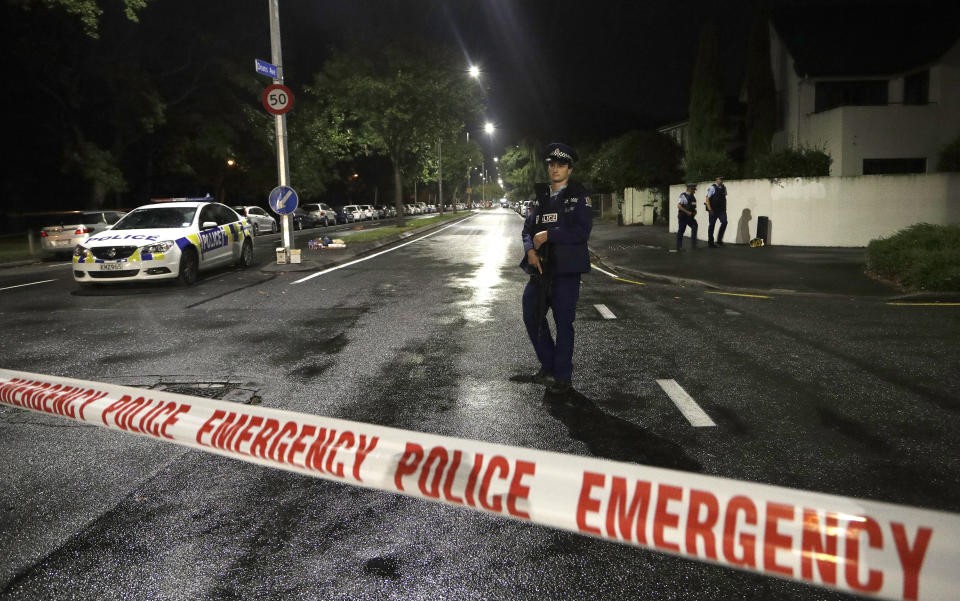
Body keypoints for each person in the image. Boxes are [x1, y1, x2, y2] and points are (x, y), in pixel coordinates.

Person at [520, 143, 592, 394]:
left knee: (563, 323)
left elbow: (581, 232)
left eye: (561, 165)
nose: (555, 168)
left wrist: (548, 235)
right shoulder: (540, 197)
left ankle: (562, 376)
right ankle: (548, 365)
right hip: (540, 271)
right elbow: (527, 229)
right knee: (532, 314)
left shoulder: (578, 196)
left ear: (569, 169)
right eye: (552, 164)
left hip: (565, 271)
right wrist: (530, 249)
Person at [705, 176, 728, 247]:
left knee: (724, 222)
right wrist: (710, 209)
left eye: (722, 179)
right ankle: (710, 242)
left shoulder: (724, 188)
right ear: (716, 180)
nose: (721, 180)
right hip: (713, 210)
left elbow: (724, 198)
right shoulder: (712, 188)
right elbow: (707, 199)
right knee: (712, 225)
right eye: (719, 179)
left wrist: (725, 208)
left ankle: (719, 240)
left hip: (721, 210)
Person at [676, 183, 699, 251]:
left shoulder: (693, 197)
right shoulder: (683, 196)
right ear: (689, 189)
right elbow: (679, 206)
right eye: (693, 189)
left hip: (690, 217)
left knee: (695, 226)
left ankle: (694, 245)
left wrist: (695, 212)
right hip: (683, 216)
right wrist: (687, 212)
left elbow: (693, 208)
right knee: (681, 230)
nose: (694, 191)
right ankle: (679, 246)